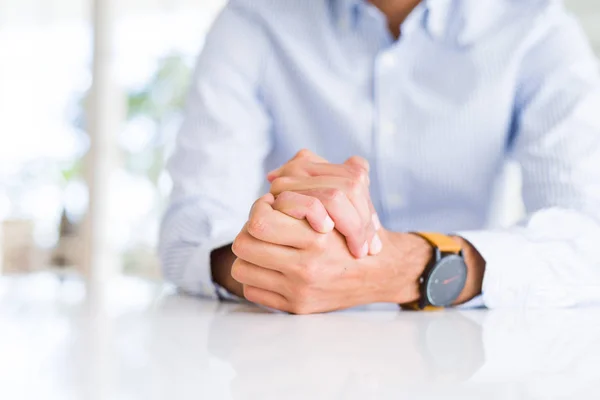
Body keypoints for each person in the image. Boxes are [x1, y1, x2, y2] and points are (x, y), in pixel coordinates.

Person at [159, 0, 600, 313]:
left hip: (461, 356)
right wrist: (279, 254)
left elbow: (587, 239)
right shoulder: (252, 20)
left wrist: (408, 266)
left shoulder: (537, 27)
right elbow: (187, 236)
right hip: (292, 356)